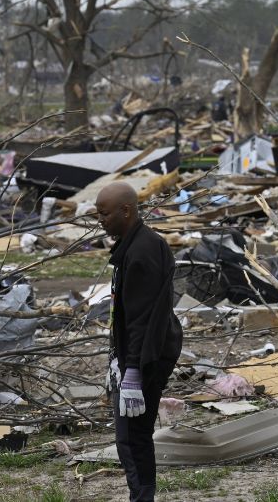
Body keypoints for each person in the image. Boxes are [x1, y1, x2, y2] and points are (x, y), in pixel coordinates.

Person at [95, 182, 183, 502]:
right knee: (133, 436)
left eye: (104, 213)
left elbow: (142, 320)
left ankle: (142, 497)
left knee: (132, 438)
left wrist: (132, 370)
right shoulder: (133, 246)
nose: (99, 220)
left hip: (147, 356)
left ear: (126, 211)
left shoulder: (142, 252)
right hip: (140, 353)